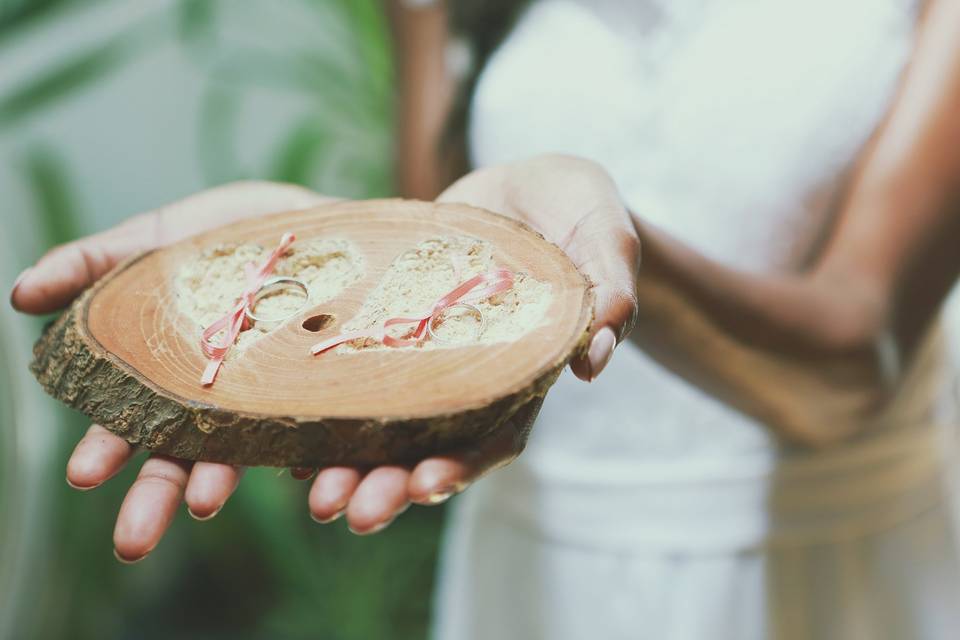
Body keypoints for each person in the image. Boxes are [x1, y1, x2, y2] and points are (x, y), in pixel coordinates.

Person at [9, 0, 960, 637]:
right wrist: (305, 246)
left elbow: (854, 362)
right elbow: (445, 239)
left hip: (831, 575)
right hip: (536, 571)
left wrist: (603, 254)